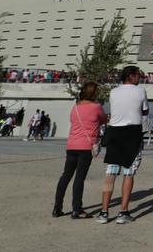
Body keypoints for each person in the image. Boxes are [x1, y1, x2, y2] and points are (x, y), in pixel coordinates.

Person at [98, 66, 149, 225]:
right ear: (132, 76)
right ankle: (123, 211)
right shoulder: (140, 91)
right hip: (132, 132)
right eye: (138, 75)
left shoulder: (113, 92)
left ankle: (104, 212)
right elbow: (145, 111)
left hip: (114, 132)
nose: (139, 78)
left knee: (111, 173)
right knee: (129, 173)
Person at [53, 81, 107, 218]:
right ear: (94, 93)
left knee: (66, 175)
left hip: (72, 144)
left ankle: (57, 208)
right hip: (86, 146)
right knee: (79, 177)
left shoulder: (75, 107)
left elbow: (73, 121)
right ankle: (77, 209)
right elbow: (103, 120)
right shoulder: (96, 107)